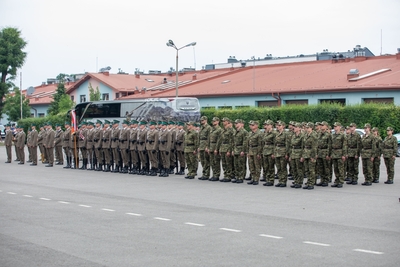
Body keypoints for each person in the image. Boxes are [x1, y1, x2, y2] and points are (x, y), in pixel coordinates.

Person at [330, 122, 347, 188]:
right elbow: (331, 145)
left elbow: (344, 145)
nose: (335, 127)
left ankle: (341, 181)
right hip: (334, 152)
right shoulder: (333, 135)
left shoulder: (342, 135)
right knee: (336, 168)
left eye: (336, 126)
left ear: (339, 127)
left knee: (340, 168)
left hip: (340, 152)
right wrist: (331, 153)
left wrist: (344, 155)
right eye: (334, 126)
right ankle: (337, 180)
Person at [217, 117, 234, 182]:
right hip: (223, 148)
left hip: (227, 148)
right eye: (223, 121)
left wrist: (229, 150)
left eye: (224, 121)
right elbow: (221, 140)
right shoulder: (223, 130)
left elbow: (231, 141)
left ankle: (229, 176)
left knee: (228, 163)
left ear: (228, 122)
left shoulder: (231, 130)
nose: (223, 122)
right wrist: (220, 149)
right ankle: (225, 175)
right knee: (224, 163)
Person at [273, 121, 290, 187]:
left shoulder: (286, 133)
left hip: (283, 151)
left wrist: (286, 153)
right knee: (278, 167)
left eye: (279, 125)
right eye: (277, 125)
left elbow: (287, 144)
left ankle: (283, 181)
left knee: (283, 167)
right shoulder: (276, 133)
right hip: (277, 152)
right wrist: (274, 152)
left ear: (283, 126)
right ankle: (280, 180)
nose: (277, 126)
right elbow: (275, 144)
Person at [302, 122, 317, 190]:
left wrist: (313, 156)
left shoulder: (314, 135)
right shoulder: (305, 135)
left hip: (311, 154)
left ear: (311, 128)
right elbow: (303, 146)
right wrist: (302, 155)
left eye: (308, 128)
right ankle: (308, 182)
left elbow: (314, 147)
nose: (306, 129)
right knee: (307, 169)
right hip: (305, 154)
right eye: (306, 127)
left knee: (311, 170)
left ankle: (311, 183)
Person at [316, 121, 331, 187]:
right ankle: (322, 180)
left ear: (326, 126)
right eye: (321, 125)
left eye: (323, 125)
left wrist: (328, 154)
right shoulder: (319, 134)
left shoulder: (328, 135)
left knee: (326, 167)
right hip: (319, 152)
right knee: (320, 168)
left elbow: (329, 145)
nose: (321, 126)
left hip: (325, 152)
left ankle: (326, 180)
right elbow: (316, 144)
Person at [247, 120, 263, 185]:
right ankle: (253, 178)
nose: (251, 126)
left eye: (252, 125)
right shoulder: (250, 133)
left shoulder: (259, 133)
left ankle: (256, 179)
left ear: (257, 125)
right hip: (251, 150)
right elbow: (248, 143)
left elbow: (260, 144)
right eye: (250, 125)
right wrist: (247, 152)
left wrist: (259, 153)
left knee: (257, 166)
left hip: (256, 150)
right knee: (251, 165)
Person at [232, 119, 248, 183]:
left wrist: (243, 150)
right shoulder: (236, 131)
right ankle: (237, 176)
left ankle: (241, 177)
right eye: (235, 123)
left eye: (237, 123)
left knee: (241, 164)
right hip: (236, 149)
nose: (235, 124)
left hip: (241, 148)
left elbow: (245, 142)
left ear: (241, 124)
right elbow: (233, 142)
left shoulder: (244, 132)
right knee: (236, 164)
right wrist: (233, 150)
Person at [289, 123, 304, 188]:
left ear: (300, 128)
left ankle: (299, 182)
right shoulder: (293, 136)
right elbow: (291, 146)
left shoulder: (302, 136)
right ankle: (295, 181)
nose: (294, 128)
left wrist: (302, 156)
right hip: (293, 153)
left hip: (299, 153)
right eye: (294, 127)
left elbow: (303, 147)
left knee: (299, 169)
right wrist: (290, 155)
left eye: (296, 127)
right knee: (294, 168)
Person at [262, 120, 275, 186]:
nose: (265, 126)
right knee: (266, 166)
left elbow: (275, 144)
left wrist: (273, 153)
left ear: (271, 125)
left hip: (270, 151)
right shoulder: (265, 133)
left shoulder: (274, 133)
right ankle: (267, 179)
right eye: (265, 125)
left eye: (267, 125)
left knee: (271, 166)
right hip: (265, 151)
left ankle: (271, 180)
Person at [198, 116, 212, 180]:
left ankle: (206, 174)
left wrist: (207, 146)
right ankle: (204, 173)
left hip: (205, 146)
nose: (202, 121)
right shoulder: (201, 128)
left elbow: (209, 138)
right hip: (201, 145)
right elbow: (199, 138)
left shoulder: (208, 128)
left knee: (206, 161)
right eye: (201, 120)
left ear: (206, 120)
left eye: (203, 120)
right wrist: (198, 146)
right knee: (202, 161)